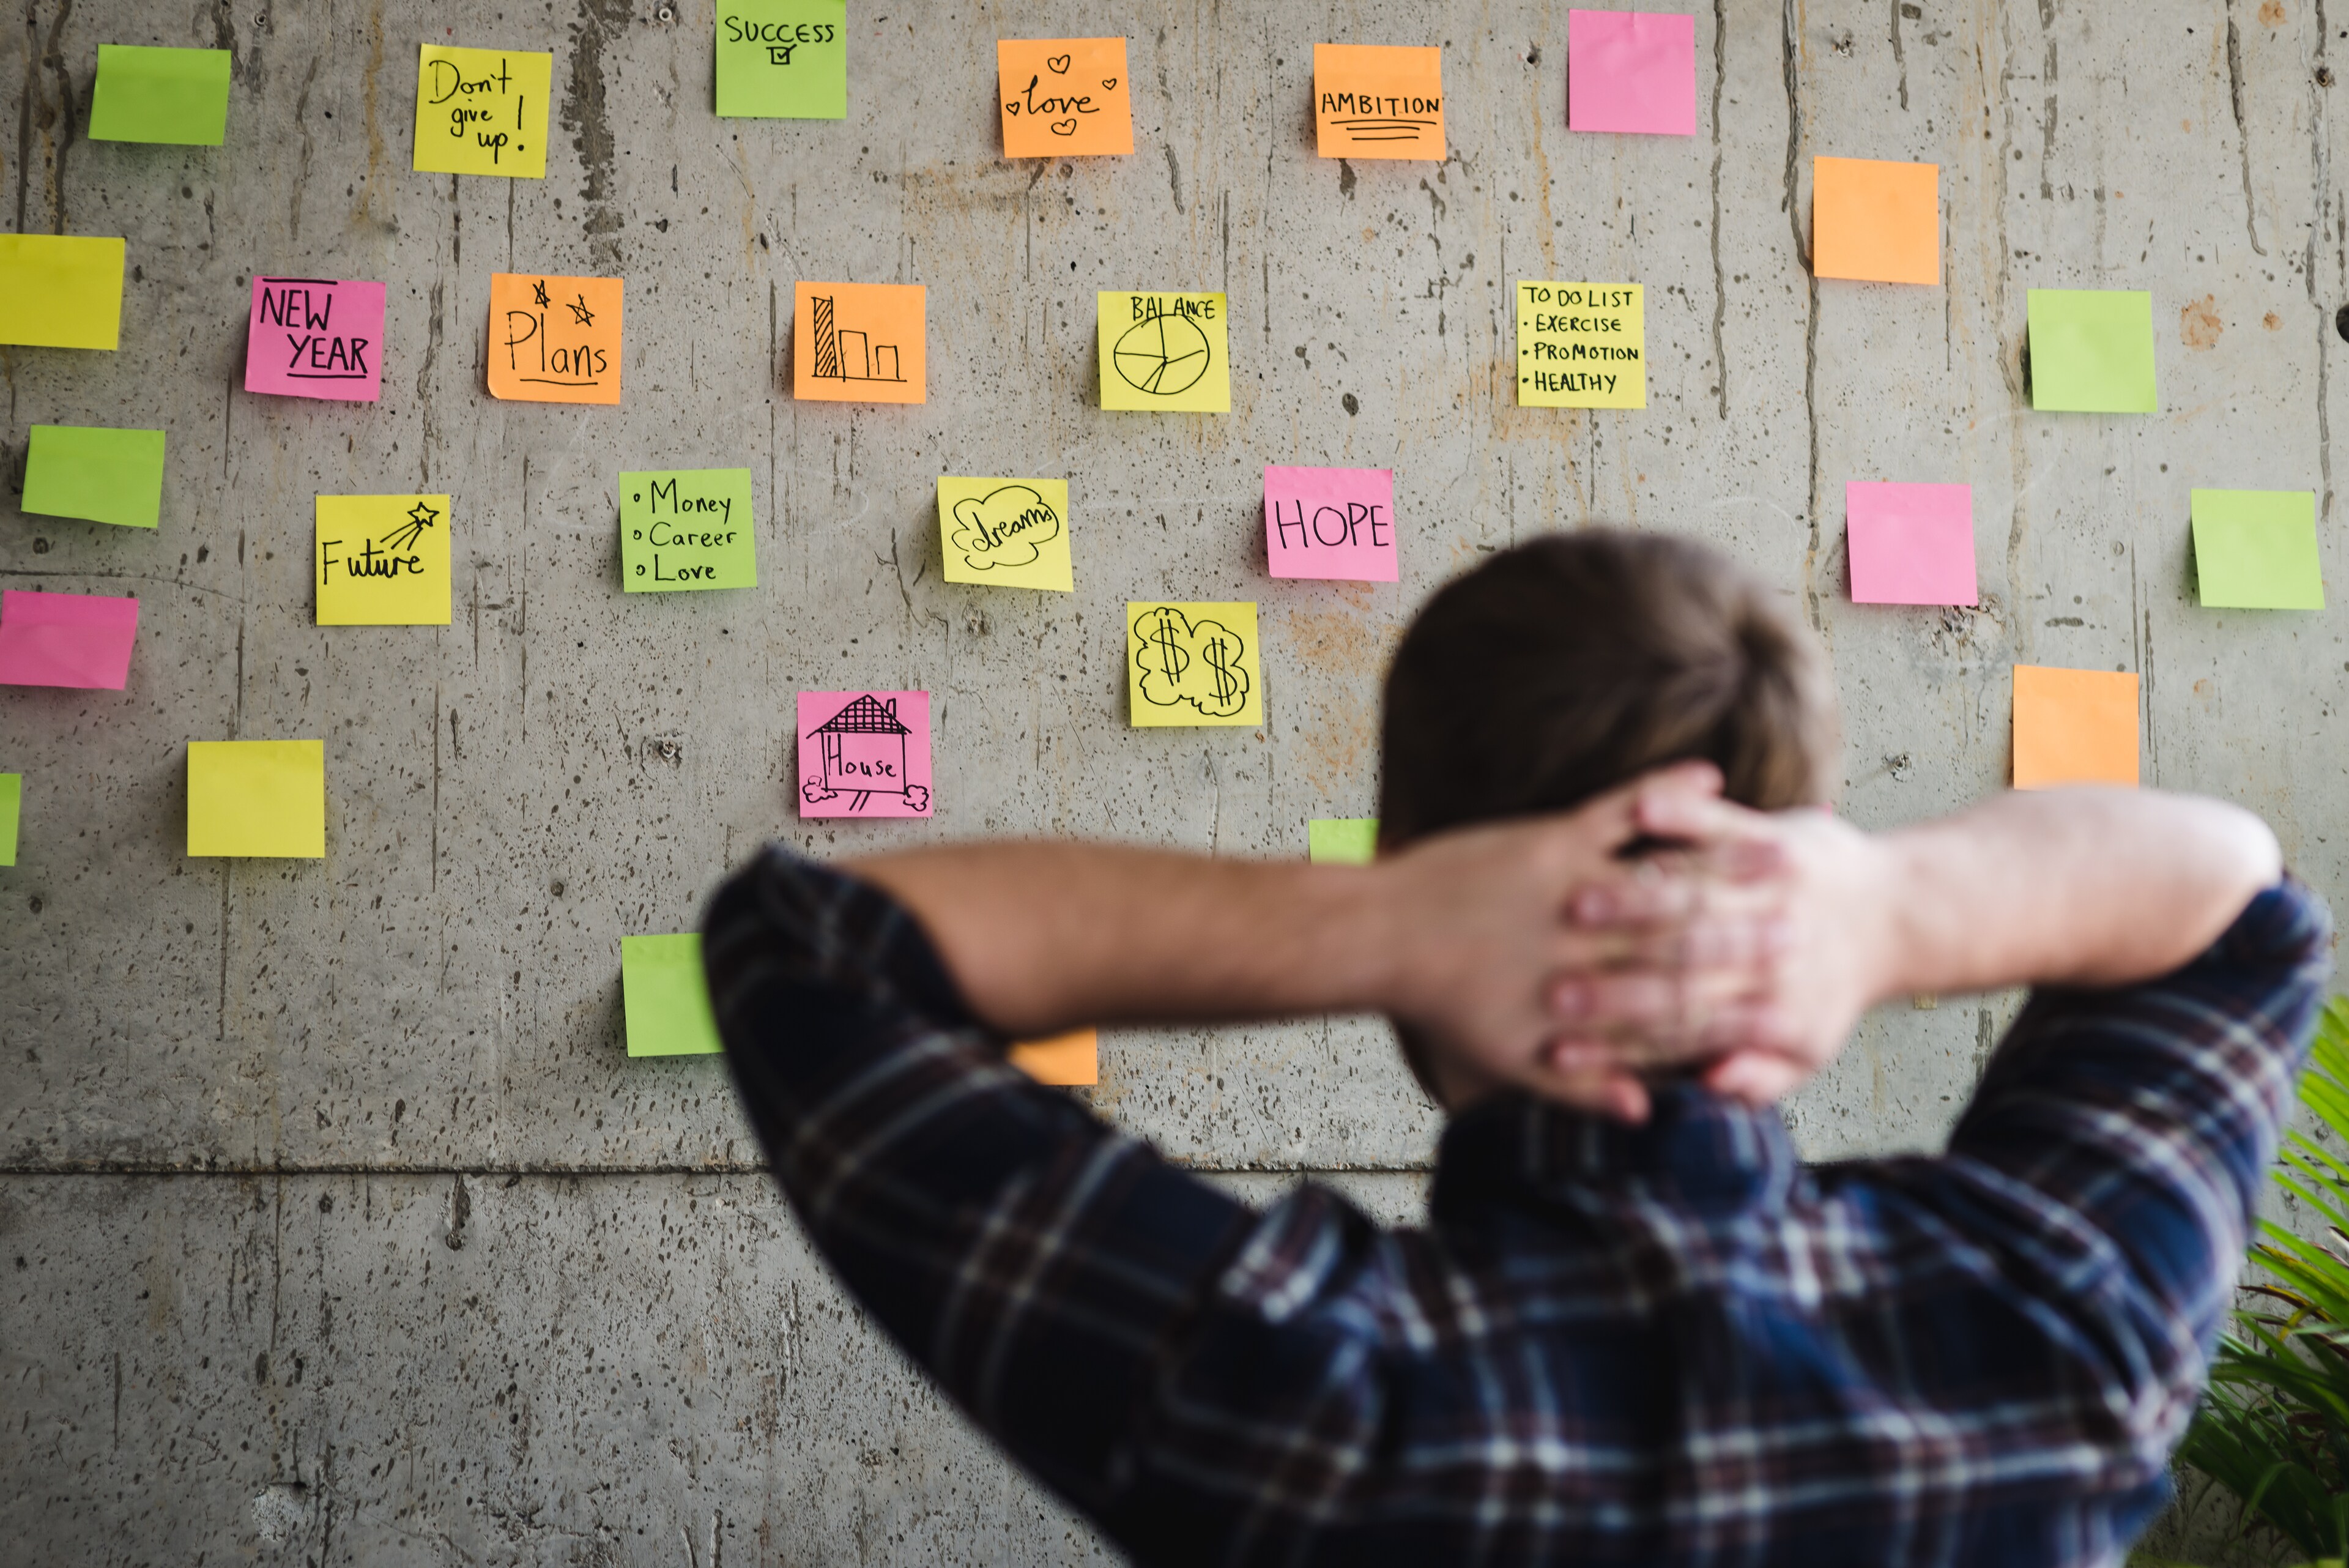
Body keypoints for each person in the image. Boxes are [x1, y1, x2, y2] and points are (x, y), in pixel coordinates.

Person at [703, 531, 2328, 1565]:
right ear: (1796, 849)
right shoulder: (2051, 1332)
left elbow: (810, 944)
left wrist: (1381, 920)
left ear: (1419, 852)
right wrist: (1892, 909)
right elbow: (2240, 909)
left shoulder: (1287, 1394)